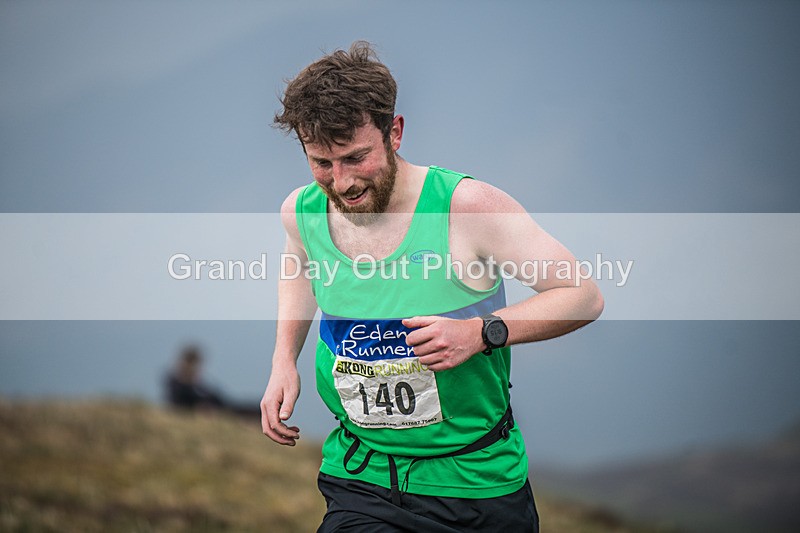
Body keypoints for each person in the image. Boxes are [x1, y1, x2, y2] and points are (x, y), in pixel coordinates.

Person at [261, 41, 604, 532]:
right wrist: (282, 362)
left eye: (356, 158)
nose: (341, 183)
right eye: (321, 163)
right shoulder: (301, 210)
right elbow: (301, 270)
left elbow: (583, 296)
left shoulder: (467, 208)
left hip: (475, 484)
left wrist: (480, 332)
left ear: (394, 132)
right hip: (363, 474)